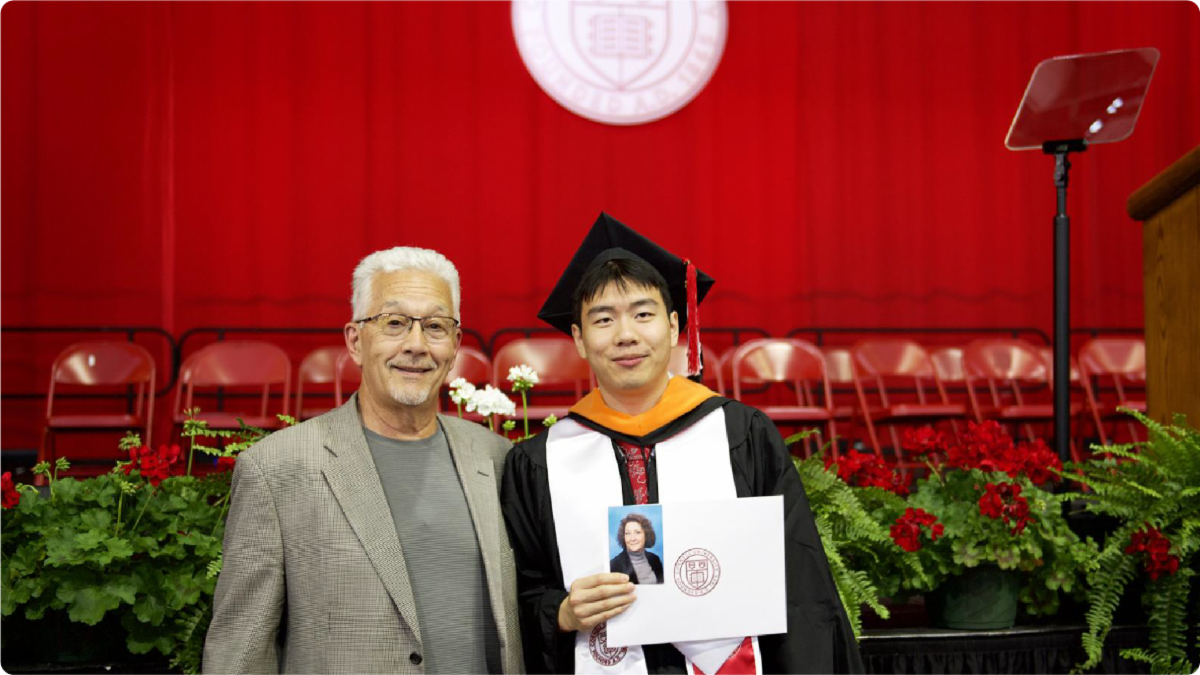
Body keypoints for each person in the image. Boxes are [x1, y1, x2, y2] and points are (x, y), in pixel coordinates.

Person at [501, 213, 864, 675]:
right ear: (578, 338)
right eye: (604, 319)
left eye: (643, 314)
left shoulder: (741, 436)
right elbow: (524, 591)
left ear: (674, 327)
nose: (626, 334)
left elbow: (799, 587)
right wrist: (563, 612)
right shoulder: (540, 462)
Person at [204, 247, 523, 675]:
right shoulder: (276, 468)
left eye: (435, 326)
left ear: (455, 344)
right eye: (394, 323)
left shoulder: (497, 458)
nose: (416, 345)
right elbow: (240, 651)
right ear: (355, 341)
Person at [609, 513, 664, 585]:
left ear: (646, 535)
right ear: (623, 537)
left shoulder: (655, 559)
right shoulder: (614, 565)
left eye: (637, 532)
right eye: (628, 533)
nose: (632, 538)